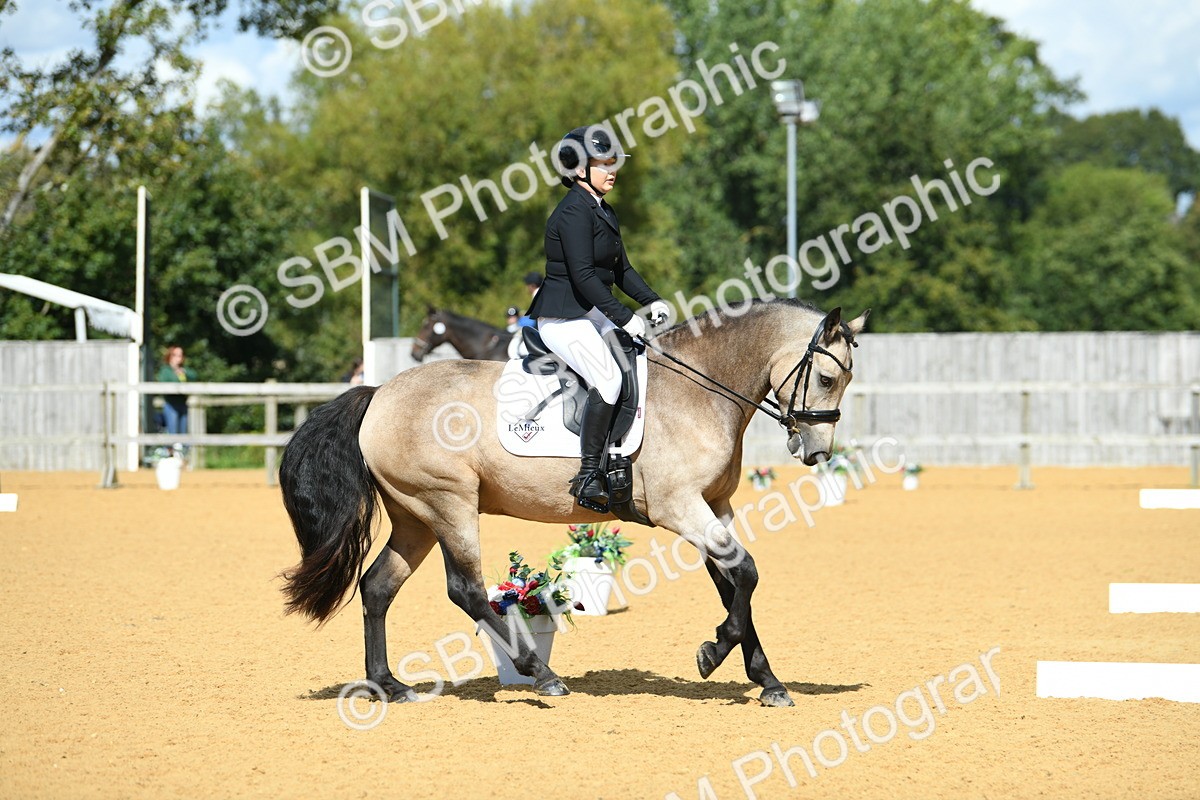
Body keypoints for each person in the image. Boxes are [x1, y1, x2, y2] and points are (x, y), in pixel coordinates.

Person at [525, 124, 669, 511]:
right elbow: (584, 276)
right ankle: (588, 474)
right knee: (607, 379)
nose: (612, 170)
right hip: (563, 318)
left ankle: (622, 456)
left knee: (641, 361)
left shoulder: (603, 210)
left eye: (613, 162)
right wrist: (625, 317)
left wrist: (651, 300)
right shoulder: (572, 212)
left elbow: (622, 269)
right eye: (603, 163)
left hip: (589, 314)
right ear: (578, 168)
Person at [156, 345, 197, 436]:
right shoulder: (166, 370)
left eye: (180, 355)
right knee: (172, 432)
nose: (178, 358)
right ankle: (171, 449)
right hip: (171, 404)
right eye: (175, 355)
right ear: (170, 356)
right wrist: (177, 376)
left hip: (183, 403)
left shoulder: (184, 370)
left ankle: (183, 449)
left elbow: (194, 376)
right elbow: (164, 383)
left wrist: (183, 372)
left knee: (184, 432)